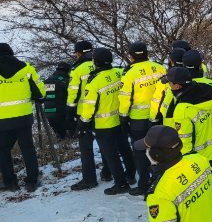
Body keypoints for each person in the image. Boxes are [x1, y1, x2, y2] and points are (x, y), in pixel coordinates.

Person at [72, 48, 135, 195]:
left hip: (104, 125)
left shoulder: (94, 82)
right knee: (125, 148)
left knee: (111, 156)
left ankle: (121, 184)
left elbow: (88, 108)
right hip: (120, 120)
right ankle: (131, 174)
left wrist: (81, 124)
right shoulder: (119, 73)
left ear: (95, 62)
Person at [119, 42, 166, 196]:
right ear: (147, 53)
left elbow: (125, 98)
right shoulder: (159, 67)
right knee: (160, 150)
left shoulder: (129, 73)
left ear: (131, 56)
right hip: (158, 116)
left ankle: (143, 185)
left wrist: (123, 118)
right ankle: (161, 181)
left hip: (138, 120)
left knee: (140, 152)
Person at [0, 43, 45, 192]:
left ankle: (10, 182)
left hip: (2, 120)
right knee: (28, 148)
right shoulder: (26, 68)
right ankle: (31, 181)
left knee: (3, 150)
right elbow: (41, 93)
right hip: (23, 117)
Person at [66, 41, 111, 182]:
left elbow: (73, 94)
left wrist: (69, 112)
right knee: (104, 144)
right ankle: (108, 172)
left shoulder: (76, 69)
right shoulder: (101, 63)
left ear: (78, 53)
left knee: (86, 148)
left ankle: (89, 179)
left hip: (83, 113)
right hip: (101, 112)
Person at [150, 48, 185, 127]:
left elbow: (156, 103)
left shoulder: (164, 81)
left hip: (170, 126)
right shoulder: (191, 79)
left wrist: (153, 121)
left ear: (172, 62)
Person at [43, 62, 71, 141]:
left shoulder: (47, 80)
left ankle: (62, 150)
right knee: (72, 136)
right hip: (61, 114)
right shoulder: (65, 81)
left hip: (49, 114)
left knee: (60, 137)